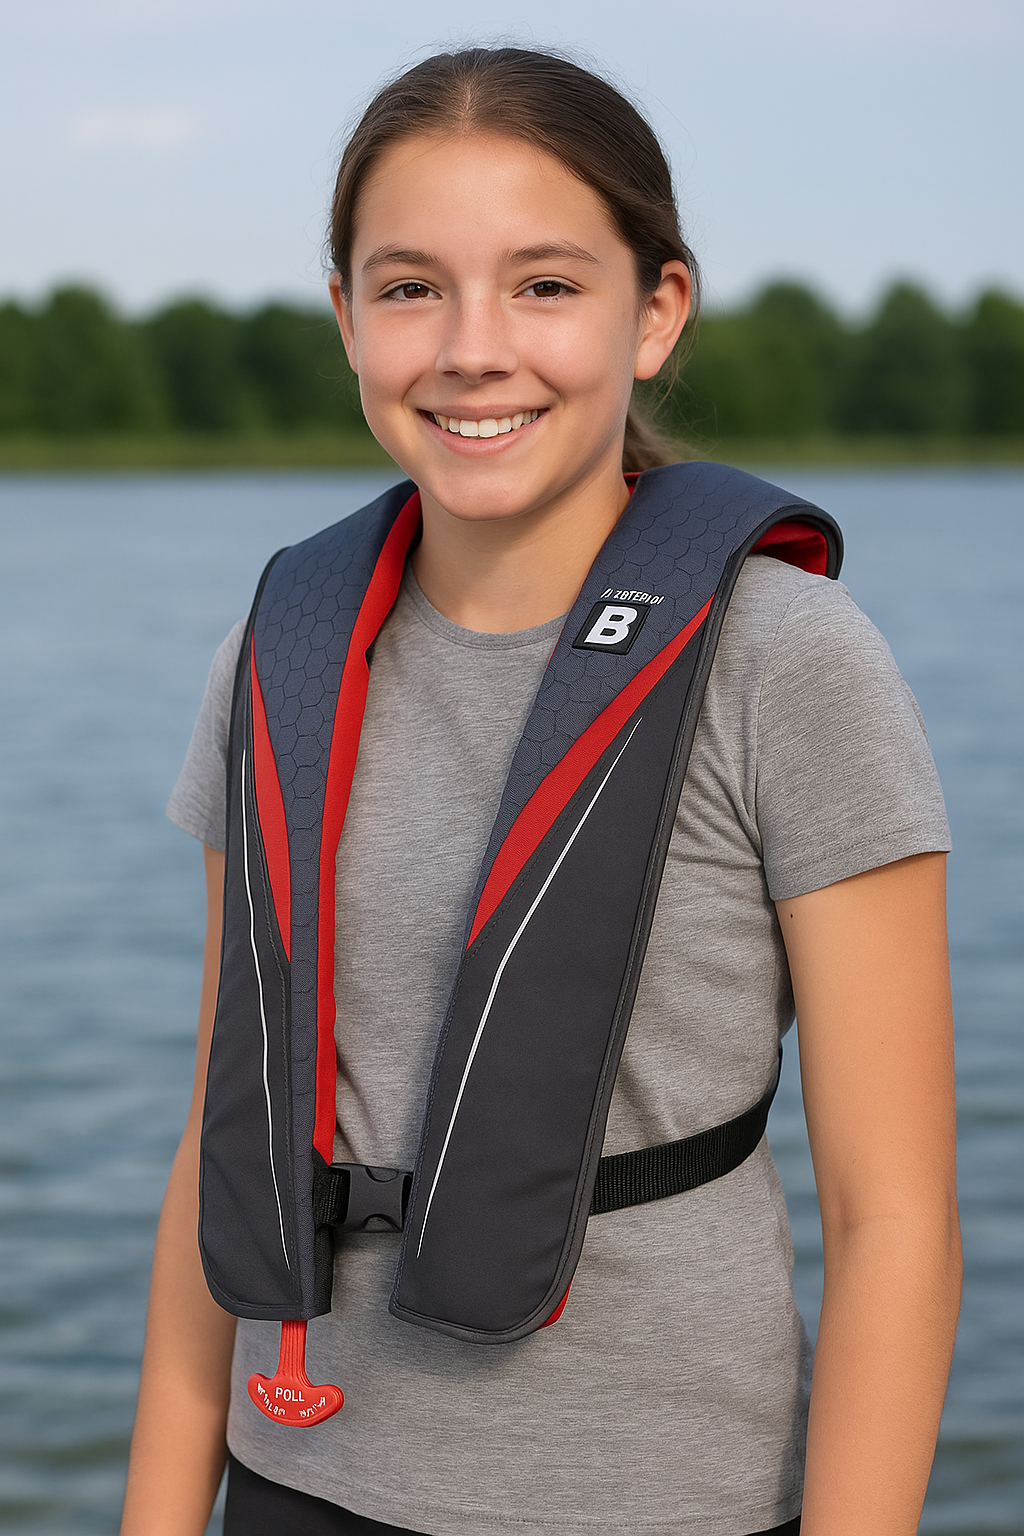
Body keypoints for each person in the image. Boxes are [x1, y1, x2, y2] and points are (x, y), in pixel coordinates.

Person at [120, 46, 960, 1536]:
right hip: (292, 1480)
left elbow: (893, 1221)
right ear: (346, 320)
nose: (472, 347)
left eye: (548, 285)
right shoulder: (281, 650)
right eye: (409, 286)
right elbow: (219, 1129)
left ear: (658, 312)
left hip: (661, 1501)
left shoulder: (788, 663)